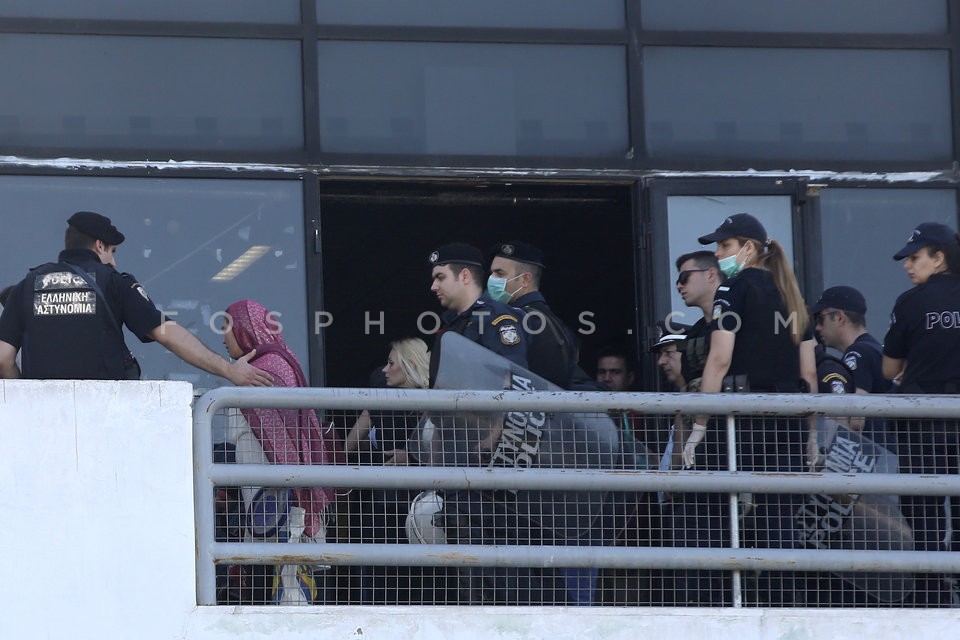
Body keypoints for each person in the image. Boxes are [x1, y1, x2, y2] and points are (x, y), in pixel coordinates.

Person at [684, 212, 817, 606]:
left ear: (748, 248)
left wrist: (699, 426)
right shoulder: (793, 295)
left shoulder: (732, 291)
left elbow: (719, 361)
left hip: (742, 420)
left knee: (709, 518)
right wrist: (812, 437)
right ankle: (783, 611)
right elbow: (809, 374)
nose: (720, 254)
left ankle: (716, 611)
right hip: (790, 419)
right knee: (780, 522)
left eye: (725, 246)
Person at [0, 211, 272, 386]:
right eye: (112, 251)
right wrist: (229, 370)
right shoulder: (114, 282)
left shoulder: (27, 285)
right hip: (105, 414)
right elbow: (169, 335)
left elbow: (3, 358)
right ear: (99, 245)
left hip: (43, 423)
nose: (114, 261)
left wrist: (27, 394)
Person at [219, 299, 339, 604]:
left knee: (287, 581)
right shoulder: (256, 368)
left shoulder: (267, 368)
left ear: (246, 329)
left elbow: (285, 439)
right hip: (261, 494)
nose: (222, 338)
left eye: (227, 328)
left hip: (282, 497)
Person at [882, 222, 960, 607]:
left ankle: (931, 592)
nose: (907, 267)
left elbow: (886, 368)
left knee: (924, 509)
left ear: (939, 258)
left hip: (923, 419)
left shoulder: (910, 303)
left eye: (915, 258)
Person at [343, 337, 434, 604]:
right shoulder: (381, 387)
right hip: (383, 501)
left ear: (409, 367)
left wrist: (413, 458)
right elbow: (367, 414)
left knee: (418, 578)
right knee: (376, 570)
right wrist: (338, 457)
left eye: (391, 364)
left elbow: (450, 453)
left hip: (419, 505)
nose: (385, 369)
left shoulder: (435, 402)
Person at [426, 242, 527, 386]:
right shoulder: (452, 323)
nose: (434, 286)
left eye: (440, 277)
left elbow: (512, 382)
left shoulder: (496, 319)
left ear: (465, 276)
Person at [811, 285, 893, 447]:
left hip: (876, 457)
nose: (817, 327)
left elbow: (855, 420)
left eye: (820, 319)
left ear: (840, 317)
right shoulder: (874, 348)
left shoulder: (857, 353)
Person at [487, 241, 578, 387]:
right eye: (492, 273)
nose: (492, 279)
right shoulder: (558, 326)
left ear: (525, 279)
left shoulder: (514, 320)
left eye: (499, 273)